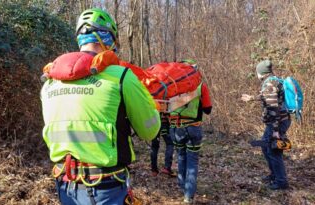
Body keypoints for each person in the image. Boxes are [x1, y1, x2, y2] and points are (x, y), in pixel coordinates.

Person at [40, 8, 160, 205]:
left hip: (65, 184)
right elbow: (150, 131)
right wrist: (152, 109)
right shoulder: (121, 76)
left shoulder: (49, 83)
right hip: (106, 186)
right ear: (109, 39)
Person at [241, 60, 291, 190]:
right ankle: (274, 175)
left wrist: (275, 130)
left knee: (273, 151)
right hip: (281, 120)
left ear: (261, 72)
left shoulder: (269, 85)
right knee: (265, 146)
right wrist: (252, 98)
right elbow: (270, 97)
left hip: (277, 122)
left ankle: (281, 182)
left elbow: (273, 108)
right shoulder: (274, 80)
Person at [169, 69, 212, 204]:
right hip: (193, 127)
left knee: (181, 155)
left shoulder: (171, 85)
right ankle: (188, 195)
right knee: (192, 161)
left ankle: (182, 186)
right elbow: (208, 109)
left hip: (176, 127)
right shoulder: (200, 86)